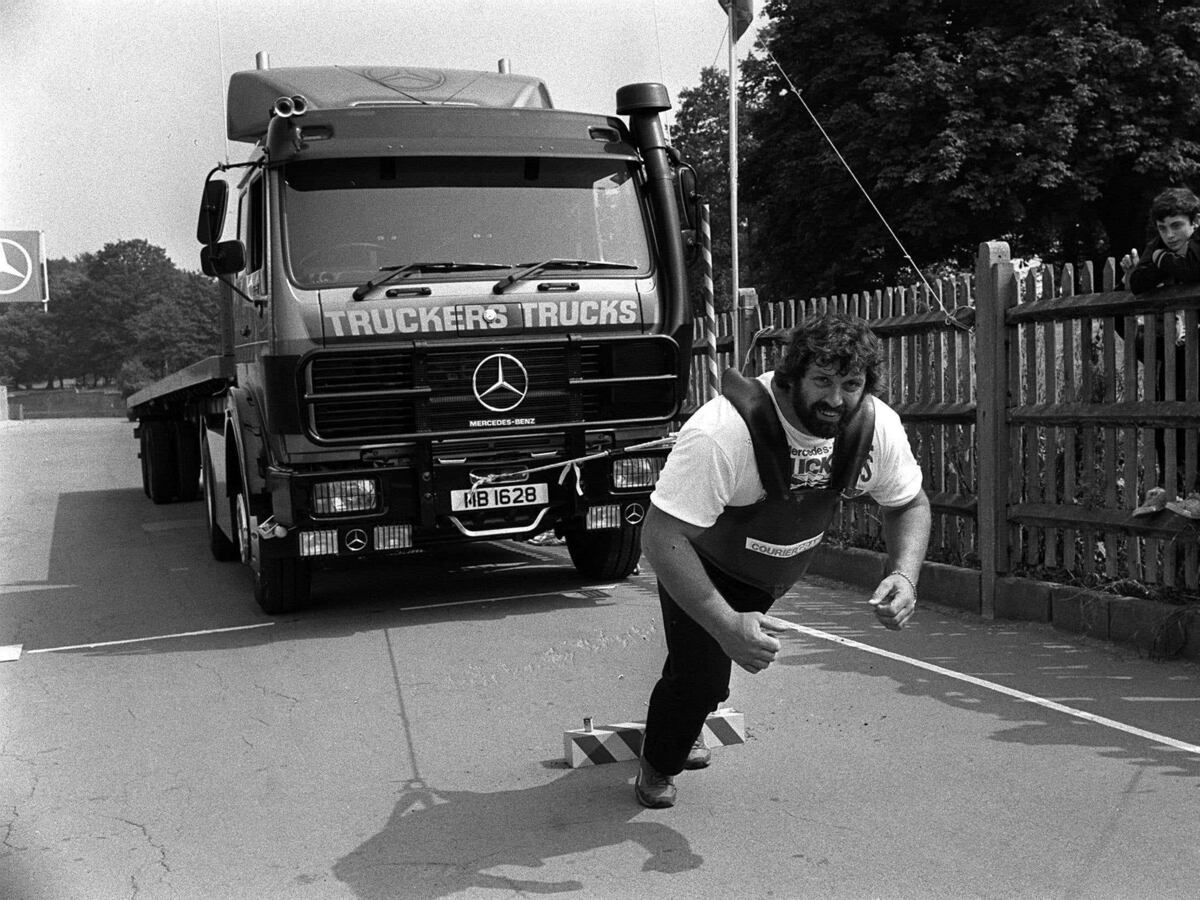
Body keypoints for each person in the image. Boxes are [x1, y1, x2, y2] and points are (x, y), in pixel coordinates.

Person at [635, 313, 931, 809]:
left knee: (710, 668)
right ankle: (657, 763)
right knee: (702, 675)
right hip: (699, 561)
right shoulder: (721, 433)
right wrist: (727, 623)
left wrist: (904, 573)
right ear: (791, 376)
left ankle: (691, 715)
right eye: (822, 382)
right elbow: (661, 537)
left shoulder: (876, 427)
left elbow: (908, 505)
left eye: (851, 384)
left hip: (773, 572)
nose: (836, 400)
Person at [1118, 187, 1199, 496]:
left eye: (1177, 225)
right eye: (1163, 228)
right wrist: (1136, 273)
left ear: (1195, 222)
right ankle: (1171, 487)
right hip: (1174, 349)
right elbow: (1136, 285)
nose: (1170, 235)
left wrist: (1160, 259)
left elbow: (1192, 269)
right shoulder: (1157, 247)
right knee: (1170, 415)